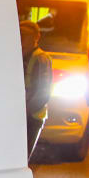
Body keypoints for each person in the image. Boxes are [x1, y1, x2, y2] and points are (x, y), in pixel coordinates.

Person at [20, 18, 53, 157]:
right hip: (18, 114)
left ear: (36, 38)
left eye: (25, 36)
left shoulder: (40, 58)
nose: (21, 39)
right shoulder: (16, 55)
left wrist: (25, 112)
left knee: (21, 157)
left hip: (31, 117)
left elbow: (43, 92)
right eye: (20, 34)